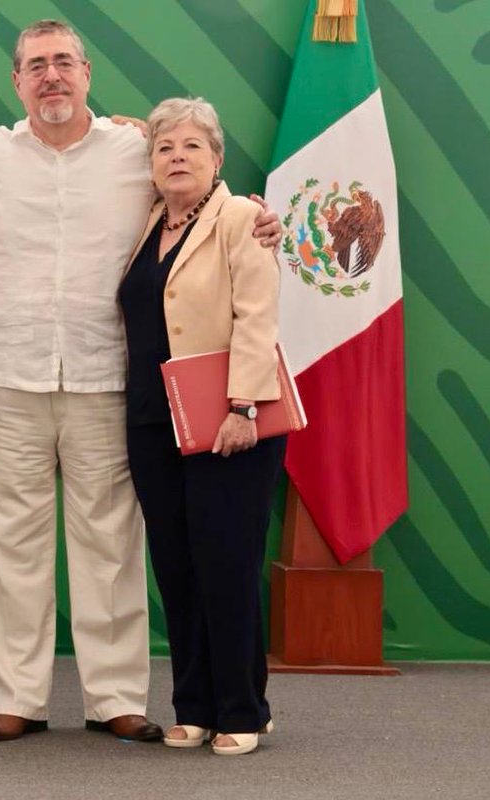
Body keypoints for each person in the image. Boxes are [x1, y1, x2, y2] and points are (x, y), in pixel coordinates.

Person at [0, 20, 280, 743]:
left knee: (111, 542)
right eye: (36, 65)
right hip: (9, 378)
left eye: (64, 62)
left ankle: (116, 698)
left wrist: (257, 215)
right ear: (16, 81)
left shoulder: (137, 150)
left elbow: (205, 192)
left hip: (109, 380)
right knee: (12, 543)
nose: (51, 77)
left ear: (88, 72)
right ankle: (17, 698)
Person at [118, 97, 285, 756]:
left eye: (192, 146)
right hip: (154, 419)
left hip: (228, 421)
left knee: (227, 565)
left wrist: (244, 406)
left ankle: (242, 708)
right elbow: (109, 127)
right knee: (177, 566)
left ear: (218, 159)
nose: (177, 157)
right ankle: (192, 704)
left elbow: (257, 317)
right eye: (164, 148)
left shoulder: (243, 219)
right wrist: (136, 124)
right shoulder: (147, 217)